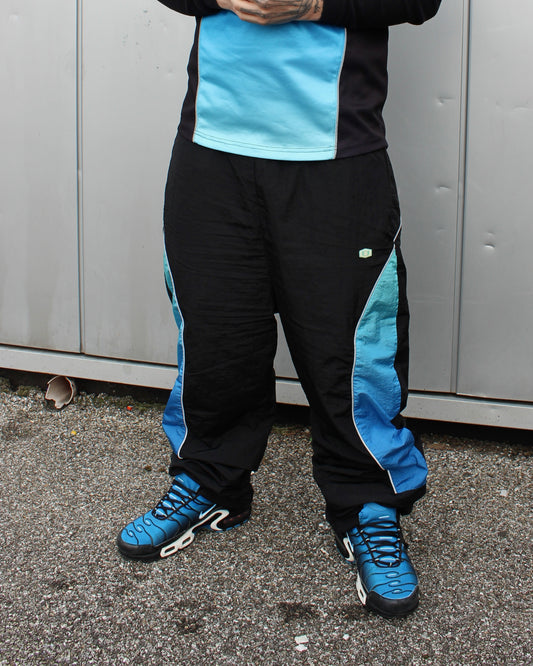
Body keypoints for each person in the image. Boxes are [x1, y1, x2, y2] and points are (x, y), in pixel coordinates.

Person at [117, 0, 442, 618]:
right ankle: (210, 479)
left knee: (351, 350)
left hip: (336, 156)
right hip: (212, 149)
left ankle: (369, 501)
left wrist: (314, 5)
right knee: (215, 335)